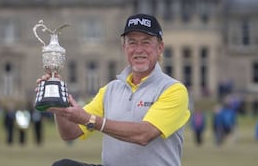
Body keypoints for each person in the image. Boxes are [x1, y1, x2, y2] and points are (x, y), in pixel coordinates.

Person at [40, 13, 191, 166]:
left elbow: (144, 134)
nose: (139, 50)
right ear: (124, 48)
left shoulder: (173, 89)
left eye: (146, 42)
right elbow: (69, 133)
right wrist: (59, 102)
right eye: (132, 43)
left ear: (160, 48)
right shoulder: (110, 90)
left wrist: (90, 119)